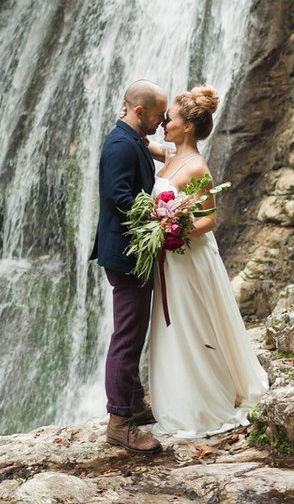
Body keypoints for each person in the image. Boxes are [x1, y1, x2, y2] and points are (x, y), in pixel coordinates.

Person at [144, 84, 269, 437]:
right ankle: (179, 395)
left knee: (192, 323)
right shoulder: (171, 156)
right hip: (171, 259)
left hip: (188, 257)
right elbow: (140, 142)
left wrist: (174, 232)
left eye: (169, 120)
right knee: (172, 327)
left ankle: (203, 400)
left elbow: (210, 219)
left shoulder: (197, 167)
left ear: (187, 127)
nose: (164, 124)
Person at [91, 79, 167, 453]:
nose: (163, 120)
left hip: (129, 251)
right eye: (158, 116)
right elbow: (118, 196)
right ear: (139, 112)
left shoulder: (132, 138)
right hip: (126, 254)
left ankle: (135, 402)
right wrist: (162, 216)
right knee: (127, 337)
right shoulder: (121, 145)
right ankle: (119, 422)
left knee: (133, 331)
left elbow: (154, 149)